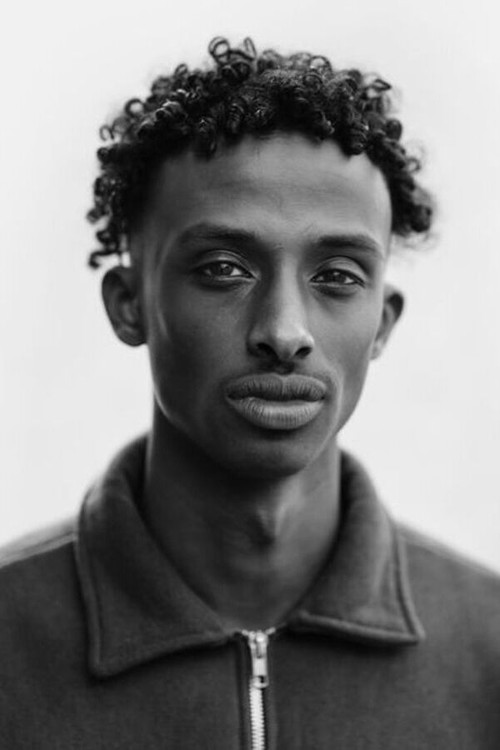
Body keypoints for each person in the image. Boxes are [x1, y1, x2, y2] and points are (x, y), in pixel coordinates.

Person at [1, 36, 499, 749]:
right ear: (128, 304)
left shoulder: (488, 643)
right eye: (224, 269)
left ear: (383, 324)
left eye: (338, 276)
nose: (285, 331)